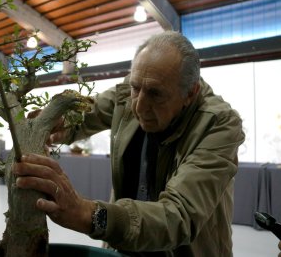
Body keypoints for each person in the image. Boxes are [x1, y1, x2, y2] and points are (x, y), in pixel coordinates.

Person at [13, 31, 245, 256]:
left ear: (190, 94)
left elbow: (178, 216)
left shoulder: (219, 124)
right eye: (136, 88)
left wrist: (87, 213)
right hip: (124, 244)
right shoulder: (131, 91)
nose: (139, 107)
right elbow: (83, 116)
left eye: (156, 94)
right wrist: (57, 124)